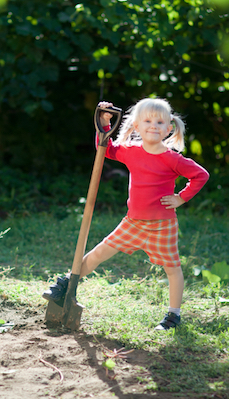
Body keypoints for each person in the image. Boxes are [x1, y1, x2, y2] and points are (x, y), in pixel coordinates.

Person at [43, 98, 209, 331]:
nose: (154, 125)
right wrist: (104, 123)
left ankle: (173, 315)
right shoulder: (131, 152)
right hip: (133, 223)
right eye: (148, 121)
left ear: (169, 128)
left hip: (162, 225)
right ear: (137, 126)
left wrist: (181, 197)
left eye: (160, 122)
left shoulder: (172, 159)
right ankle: (66, 285)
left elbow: (201, 175)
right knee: (98, 252)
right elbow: (106, 149)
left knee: (172, 268)